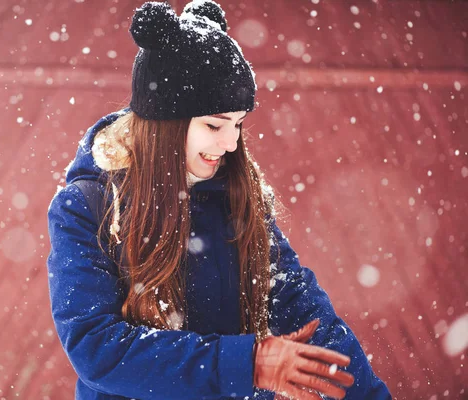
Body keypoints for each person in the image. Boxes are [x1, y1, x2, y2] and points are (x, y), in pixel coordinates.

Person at [46, 1, 392, 399]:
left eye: (238, 123)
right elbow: (97, 349)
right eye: (214, 124)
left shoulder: (238, 198)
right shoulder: (88, 207)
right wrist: (248, 364)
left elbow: (304, 309)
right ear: (166, 121)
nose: (230, 144)